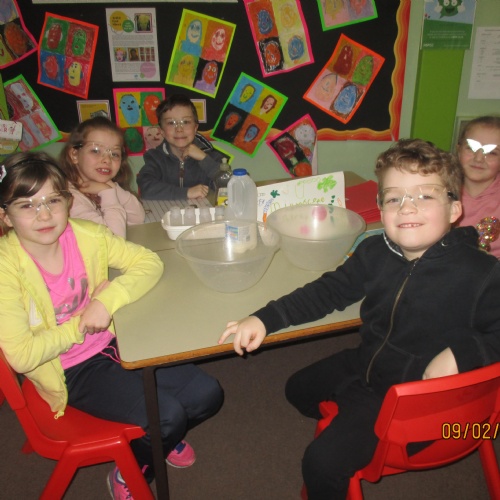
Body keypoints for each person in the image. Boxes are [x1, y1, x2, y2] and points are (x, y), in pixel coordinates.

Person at [218, 139, 500, 500]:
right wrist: (265, 318)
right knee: (296, 389)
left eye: (425, 195)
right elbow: (328, 291)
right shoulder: (375, 251)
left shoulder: (482, 272)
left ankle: (358, 430)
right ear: (381, 208)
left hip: (413, 401)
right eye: (393, 198)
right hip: (370, 360)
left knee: (320, 464)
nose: (407, 206)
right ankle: (351, 417)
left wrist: (462, 353)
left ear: (455, 209)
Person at [0, 152, 224, 499]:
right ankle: (136, 465)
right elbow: (22, 356)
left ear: (68, 201)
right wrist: (82, 322)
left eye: (52, 200)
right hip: (68, 368)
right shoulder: (5, 268)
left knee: (207, 394)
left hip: (117, 340)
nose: (44, 214)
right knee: (168, 416)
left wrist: (106, 301)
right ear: (6, 216)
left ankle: (160, 439)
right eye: (27, 205)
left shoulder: (87, 235)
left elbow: (148, 262)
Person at [59, 117, 145, 238]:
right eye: (96, 151)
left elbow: (137, 218)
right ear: (74, 155)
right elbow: (113, 239)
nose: (107, 160)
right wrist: (108, 192)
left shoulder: (102, 185)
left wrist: (113, 188)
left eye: (114, 154)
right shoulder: (70, 200)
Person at [137, 94, 224, 200]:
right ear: (162, 131)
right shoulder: (155, 158)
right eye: (171, 123)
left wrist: (204, 159)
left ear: (195, 128)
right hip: (167, 211)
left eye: (185, 122)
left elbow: (231, 187)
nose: (179, 129)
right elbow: (146, 188)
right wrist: (186, 193)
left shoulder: (213, 158)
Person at [455, 115, 500, 257]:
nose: (479, 158)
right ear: (459, 150)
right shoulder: (441, 189)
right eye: (471, 148)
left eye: (492, 153)